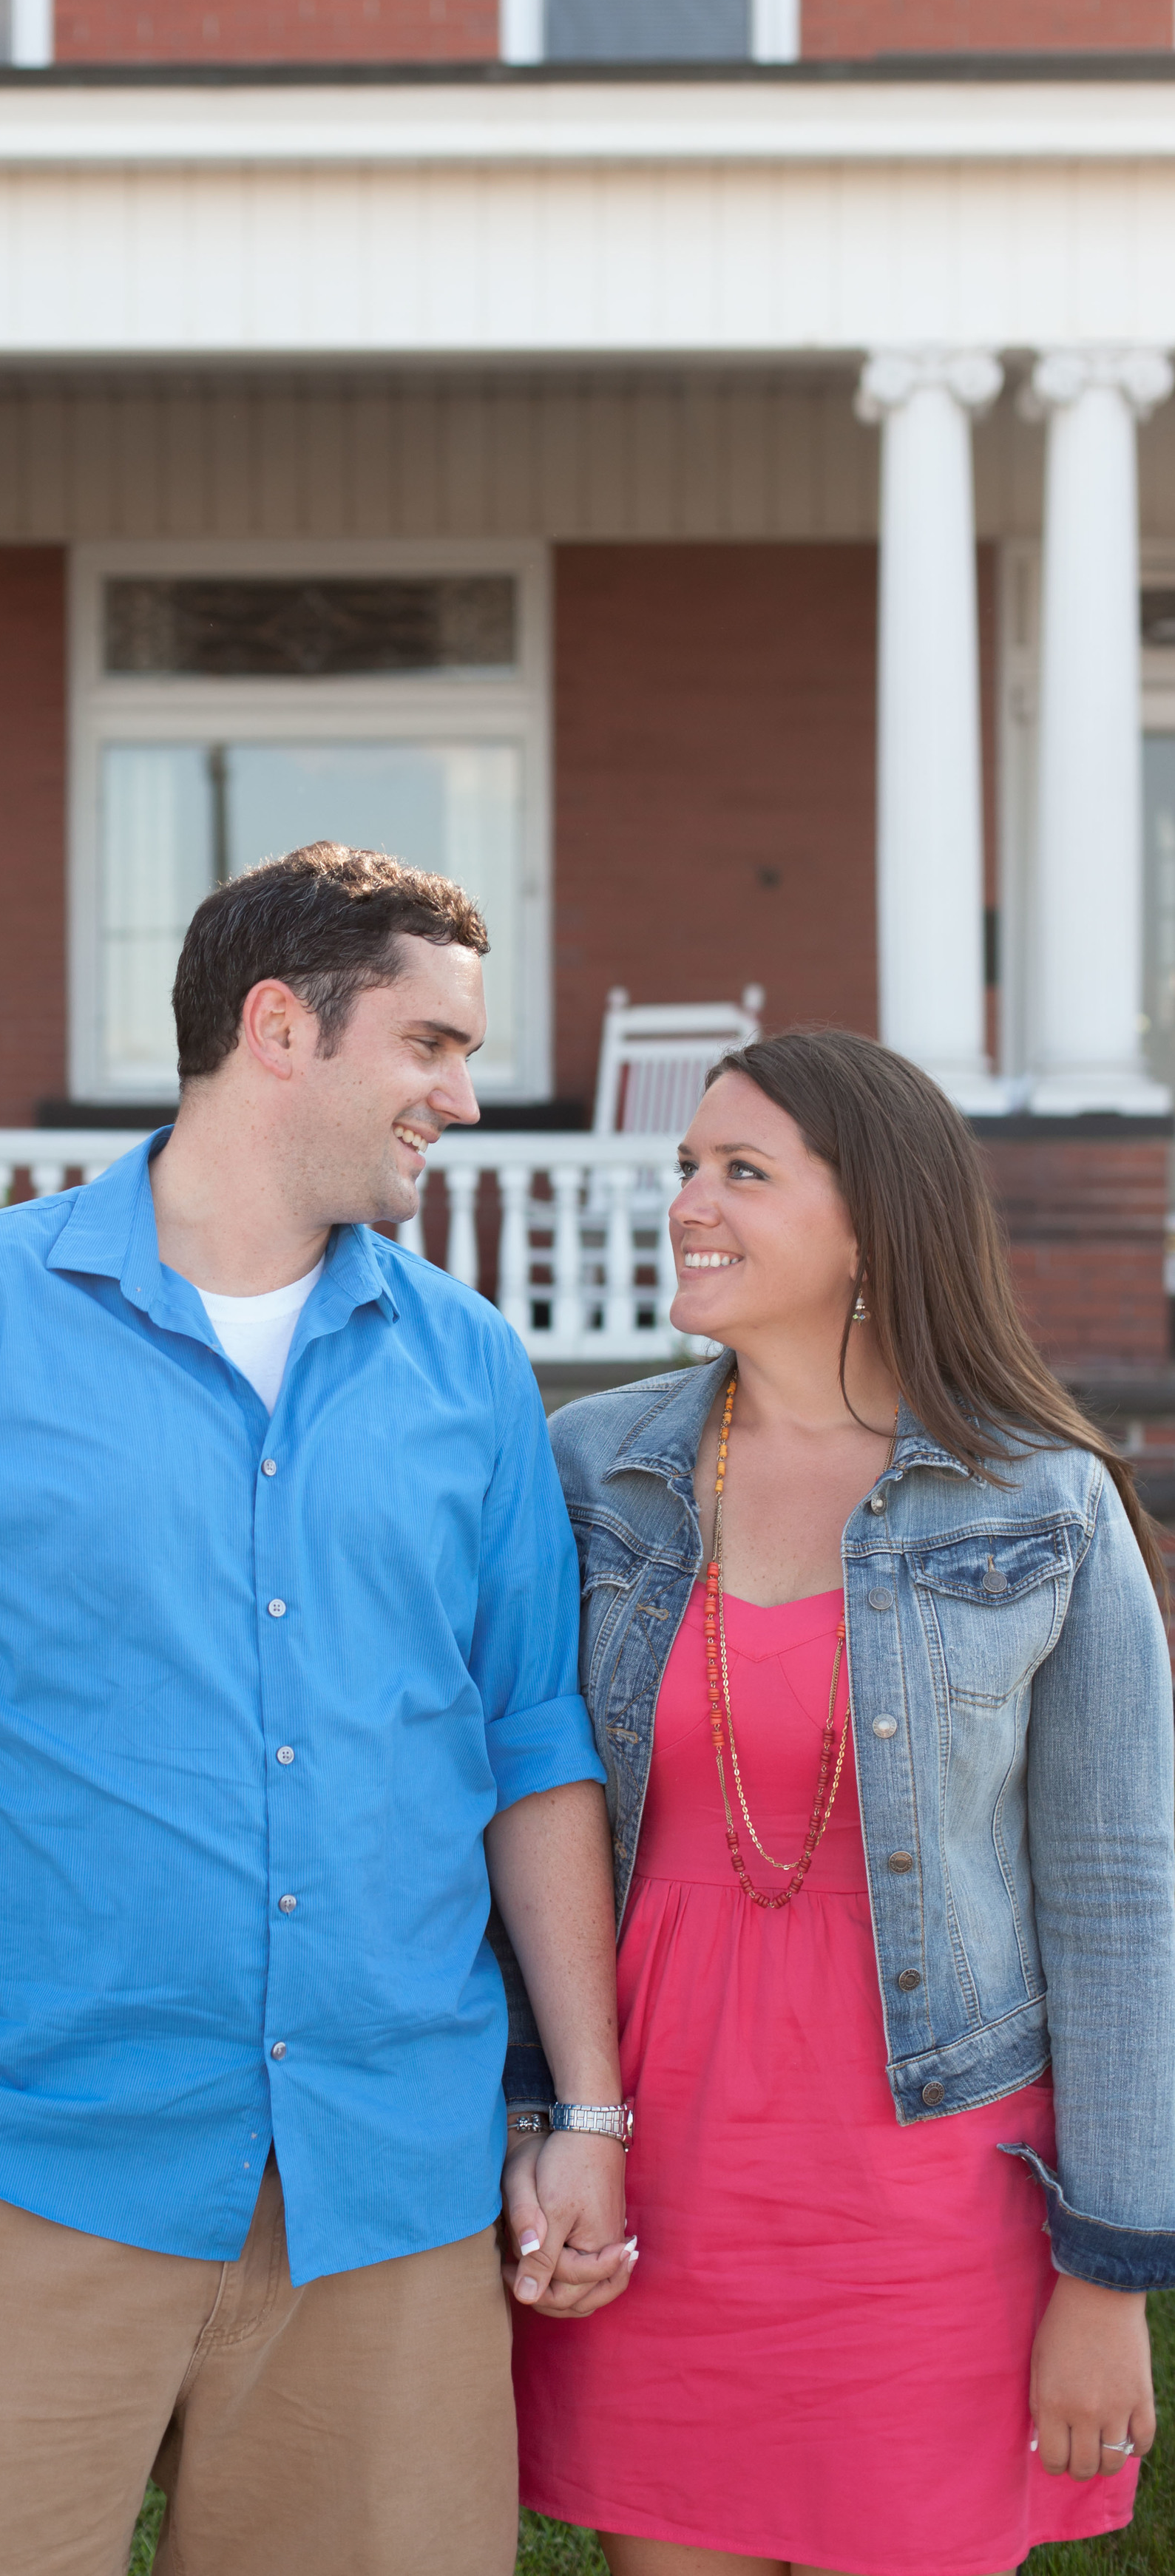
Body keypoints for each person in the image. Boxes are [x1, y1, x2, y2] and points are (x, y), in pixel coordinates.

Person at [0, 841, 631, 2576]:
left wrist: (581, 2109)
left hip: (385, 2200)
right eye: (430, 1046)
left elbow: (528, 1742)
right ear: (278, 1025)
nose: (463, 1095)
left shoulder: (466, 1364)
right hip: (22, 2164)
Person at [499, 1025, 1175, 2576]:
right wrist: (545, 2120)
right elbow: (516, 1816)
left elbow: (1120, 1896)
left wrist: (1106, 2275)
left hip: (929, 2206)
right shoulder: (590, 1473)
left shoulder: (1037, 1496)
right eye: (683, 1168)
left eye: (740, 1171)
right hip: (651, 2174)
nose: (686, 1203)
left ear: (873, 1217)